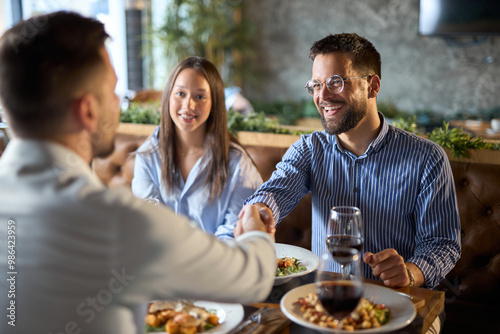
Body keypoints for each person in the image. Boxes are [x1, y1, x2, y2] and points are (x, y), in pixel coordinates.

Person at [0, 11, 275, 334]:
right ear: (89, 111)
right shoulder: (121, 223)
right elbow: (251, 276)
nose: (119, 102)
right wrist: (257, 231)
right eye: (114, 91)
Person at [243, 33, 461, 290]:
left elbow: (442, 243)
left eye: (336, 82)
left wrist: (410, 273)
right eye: (316, 84)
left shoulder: (427, 158)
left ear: (373, 86)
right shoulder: (309, 149)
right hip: (326, 296)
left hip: (399, 298)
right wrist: (258, 214)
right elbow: (276, 191)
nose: (322, 96)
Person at [132, 57, 262, 239]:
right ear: (169, 95)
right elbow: (149, 222)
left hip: (218, 263)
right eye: (180, 94)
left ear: (214, 103)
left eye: (200, 97)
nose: (188, 105)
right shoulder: (149, 155)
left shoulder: (237, 163)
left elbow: (235, 230)